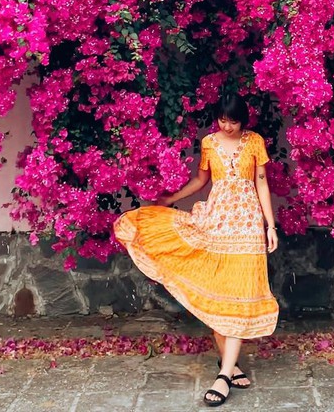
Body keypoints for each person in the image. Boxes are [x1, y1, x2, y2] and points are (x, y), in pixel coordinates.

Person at [113, 92, 280, 407]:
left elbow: (262, 184)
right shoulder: (209, 143)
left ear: (243, 120)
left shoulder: (255, 142)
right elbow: (202, 180)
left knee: (241, 294)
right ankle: (229, 365)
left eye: (232, 120)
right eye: (222, 119)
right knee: (219, 291)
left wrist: (270, 226)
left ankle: (224, 374)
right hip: (216, 223)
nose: (226, 126)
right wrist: (170, 199)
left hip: (247, 227)